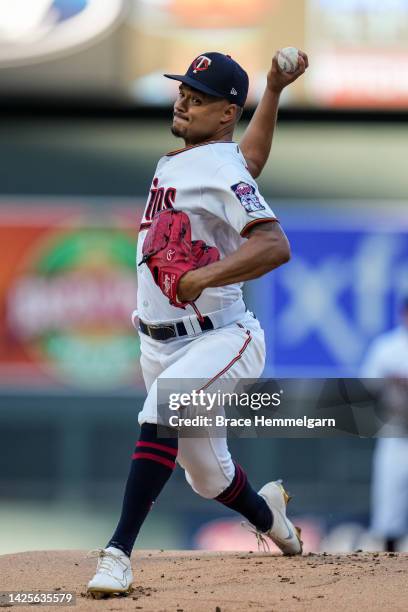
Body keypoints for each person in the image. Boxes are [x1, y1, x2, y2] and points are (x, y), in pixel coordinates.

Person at [87, 50, 309, 597]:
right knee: (207, 476)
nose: (184, 100)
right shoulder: (194, 161)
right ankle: (271, 518)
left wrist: (200, 278)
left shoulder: (212, 165)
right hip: (159, 344)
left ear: (226, 113)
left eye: (200, 96)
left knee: (163, 409)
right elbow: (247, 164)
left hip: (222, 336)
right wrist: (275, 91)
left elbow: (273, 244)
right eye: (183, 89)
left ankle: (117, 554)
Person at [360, 297, 408, 552]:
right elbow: (368, 386)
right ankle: (389, 568)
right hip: (396, 432)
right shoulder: (387, 348)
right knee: (390, 503)